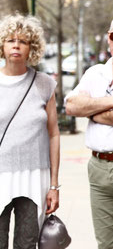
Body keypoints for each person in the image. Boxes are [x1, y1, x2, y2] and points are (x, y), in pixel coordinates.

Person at [0, 14, 60, 248]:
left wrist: (54, 186)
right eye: (10, 40)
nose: (16, 45)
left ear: (32, 47)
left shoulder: (45, 84)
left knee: (27, 244)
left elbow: (54, 134)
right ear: (1, 45)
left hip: (34, 177)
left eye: (23, 41)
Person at [65, 19, 113, 249]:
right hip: (100, 168)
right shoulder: (96, 73)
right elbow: (73, 106)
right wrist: (109, 103)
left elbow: (84, 108)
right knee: (105, 243)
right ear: (109, 38)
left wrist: (93, 113)